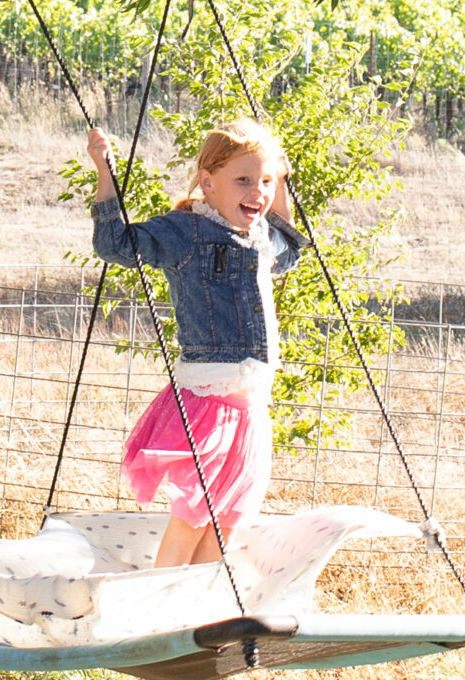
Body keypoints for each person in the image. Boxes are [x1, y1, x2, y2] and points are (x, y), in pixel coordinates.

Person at [86, 117, 303, 569]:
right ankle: (158, 599)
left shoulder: (259, 236)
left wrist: (281, 178)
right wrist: (105, 171)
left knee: (224, 523)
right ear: (207, 182)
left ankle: (200, 611)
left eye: (263, 181)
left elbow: (289, 245)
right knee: (194, 514)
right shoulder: (187, 230)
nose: (256, 193)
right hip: (208, 400)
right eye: (242, 180)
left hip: (250, 408)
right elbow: (115, 245)